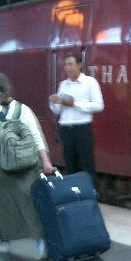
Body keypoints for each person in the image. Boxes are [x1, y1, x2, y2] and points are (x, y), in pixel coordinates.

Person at [0, 73, 54, 257]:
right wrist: (46, 161)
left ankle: (3, 242)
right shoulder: (23, 109)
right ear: (9, 89)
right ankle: (41, 242)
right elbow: (36, 136)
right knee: (30, 201)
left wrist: (2, 151)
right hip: (27, 162)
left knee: (3, 202)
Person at [49, 53, 104, 184]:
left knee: (87, 164)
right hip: (66, 129)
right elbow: (57, 110)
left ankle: (90, 191)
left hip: (82, 128)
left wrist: (75, 104)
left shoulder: (90, 82)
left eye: (70, 64)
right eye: (65, 65)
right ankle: (74, 191)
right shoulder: (63, 84)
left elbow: (99, 105)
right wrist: (54, 102)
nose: (67, 68)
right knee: (70, 164)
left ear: (79, 65)